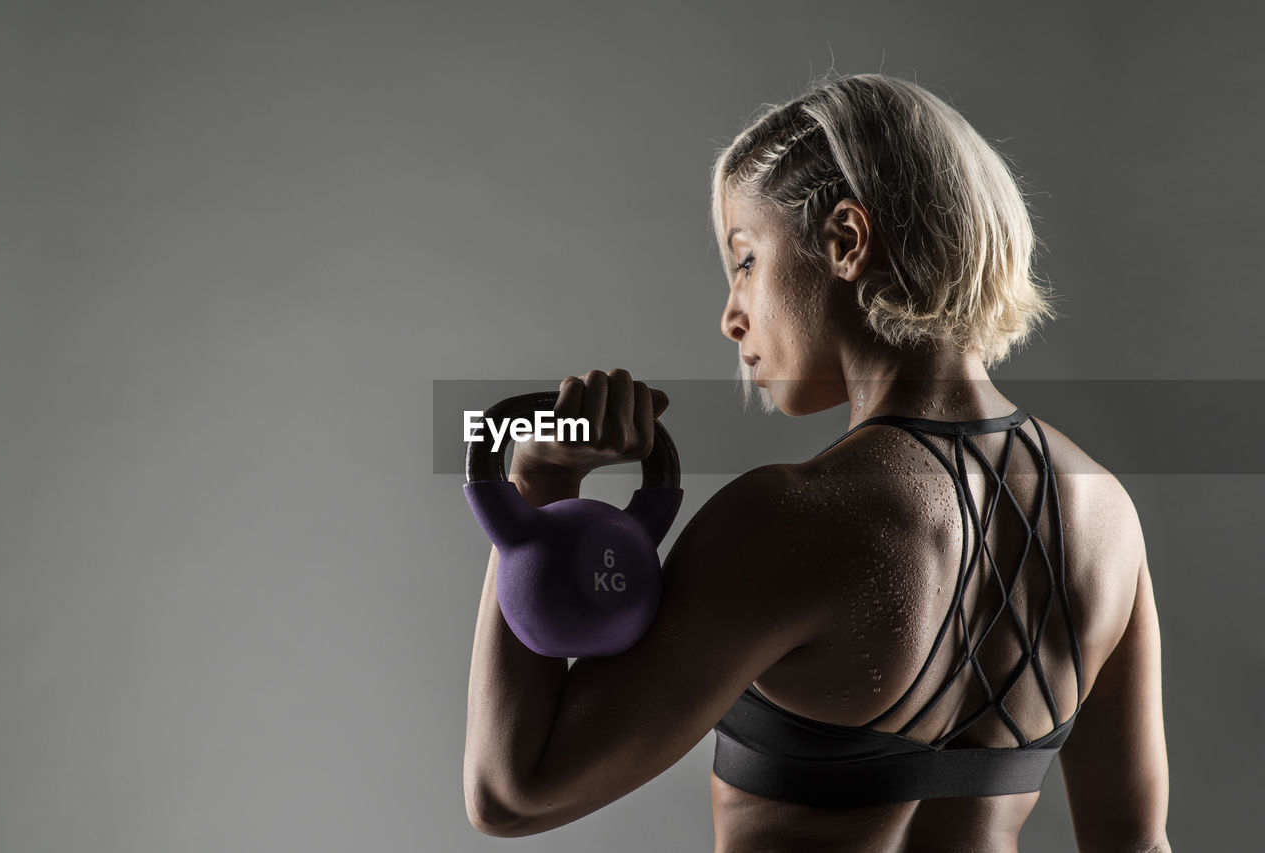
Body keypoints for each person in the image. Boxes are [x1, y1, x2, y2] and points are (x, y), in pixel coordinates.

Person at [463, 73, 1172, 852]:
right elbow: (1134, 841)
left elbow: (513, 793)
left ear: (845, 240)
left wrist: (536, 491)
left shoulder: (789, 520)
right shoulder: (1104, 512)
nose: (731, 315)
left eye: (744, 259)